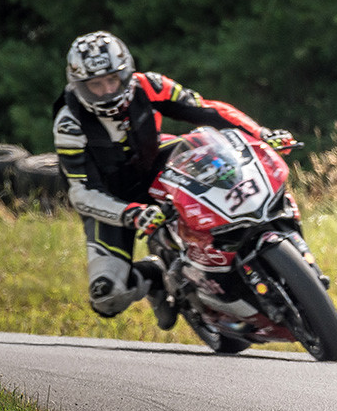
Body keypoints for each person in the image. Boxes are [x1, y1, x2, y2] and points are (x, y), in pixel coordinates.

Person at [53, 31, 295, 329]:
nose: (106, 92)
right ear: (79, 86)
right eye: (95, 85)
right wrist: (131, 213)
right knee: (106, 296)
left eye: (112, 80)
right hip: (113, 200)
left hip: (156, 162)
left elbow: (208, 110)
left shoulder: (150, 85)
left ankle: (258, 233)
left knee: (211, 150)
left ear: (126, 72)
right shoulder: (69, 123)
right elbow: (81, 192)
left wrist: (261, 133)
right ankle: (155, 277)